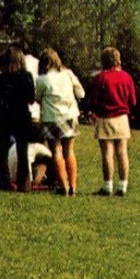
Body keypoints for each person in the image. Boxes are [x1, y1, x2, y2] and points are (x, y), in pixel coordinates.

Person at [87, 46, 137, 197]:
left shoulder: (101, 78)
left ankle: (107, 186)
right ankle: (123, 186)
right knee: (122, 152)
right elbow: (133, 101)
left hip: (105, 118)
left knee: (107, 153)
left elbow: (94, 100)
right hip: (122, 117)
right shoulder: (126, 77)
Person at [36, 48, 86, 196]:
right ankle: (73, 186)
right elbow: (81, 93)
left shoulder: (42, 80)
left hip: (52, 118)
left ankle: (63, 184)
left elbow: (37, 98)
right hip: (70, 115)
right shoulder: (68, 74)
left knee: (56, 150)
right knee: (69, 150)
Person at [0, 47, 38, 192]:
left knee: (2, 150)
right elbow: (31, 98)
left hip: (5, 113)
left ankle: (3, 181)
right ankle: (24, 183)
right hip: (22, 114)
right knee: (22, 152)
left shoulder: (1, 76)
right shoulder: (26, 76)